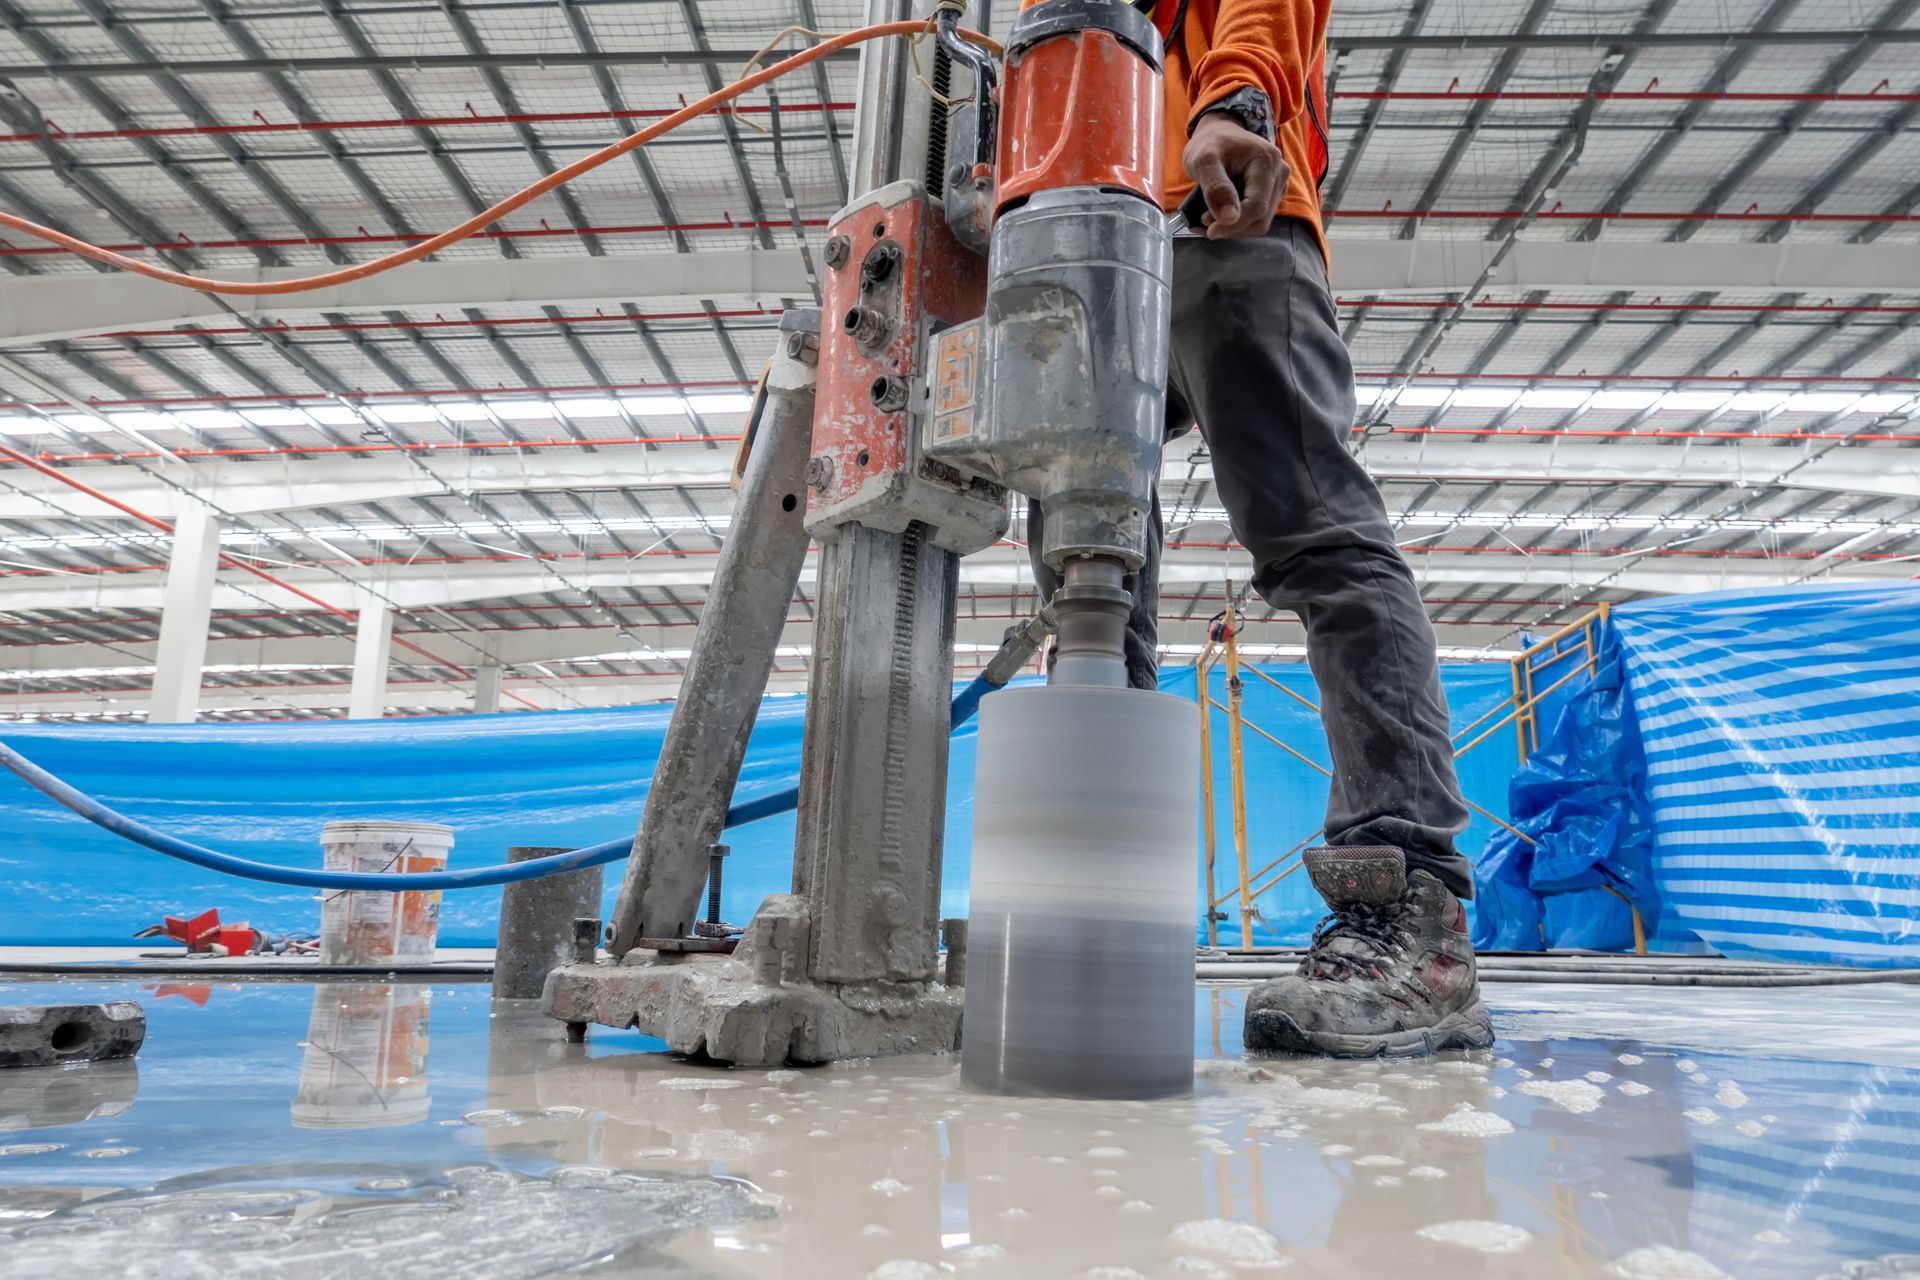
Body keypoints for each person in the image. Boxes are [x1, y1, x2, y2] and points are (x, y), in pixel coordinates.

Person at [1023, 0, 1493, 1058]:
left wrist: (1232, 101)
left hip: (1219, 212)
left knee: (1318, 539)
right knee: (1087, 579)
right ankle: (1100, 909)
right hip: (1075, 250)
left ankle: (1413, 921)